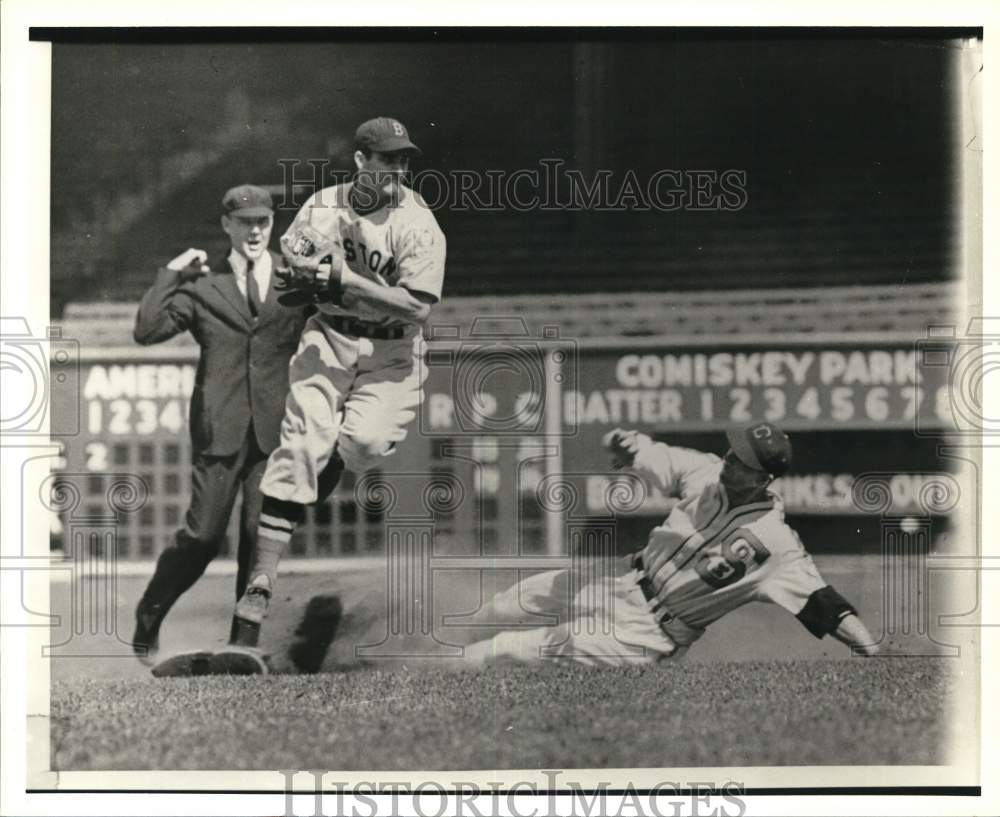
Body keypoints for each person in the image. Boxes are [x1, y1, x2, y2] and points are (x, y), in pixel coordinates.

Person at [208, 117, 446, 674]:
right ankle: (253, 604)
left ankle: (331, 465)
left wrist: (343, 279)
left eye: (404, 159)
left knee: (363, 445)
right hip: (330, 337)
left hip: (393, 355)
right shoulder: (322, 205)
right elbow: (294, 259)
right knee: (297, 447)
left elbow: (418, 307)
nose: (398, 168)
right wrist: (306, 276)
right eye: (387, 159)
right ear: (361, 162)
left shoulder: (417, 221)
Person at [461, 422, 880, 666]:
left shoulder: (778, 546)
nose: (731, 462)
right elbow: (651, 453)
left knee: (509, 650)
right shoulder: (706, 472)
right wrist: (626, 444)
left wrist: (873, 653)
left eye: (743, 462)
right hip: (623, 576)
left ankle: (433, 670)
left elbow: (825, 605)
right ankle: (432, 644)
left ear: (762, 479)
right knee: (508, 603)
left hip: (648, 632)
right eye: (733, 453)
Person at [131, 184, 322, 667]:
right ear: (226, 226)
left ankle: (244, 643)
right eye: (245, 223)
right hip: (220, 429)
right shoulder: (202, 283)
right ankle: (150, 614)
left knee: (260, 538)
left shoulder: (294, 277)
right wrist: (171, 274)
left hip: (275, 431)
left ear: (272, 224)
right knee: (201, 537)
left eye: (263, 221)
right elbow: (148, 329)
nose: (255, 230)